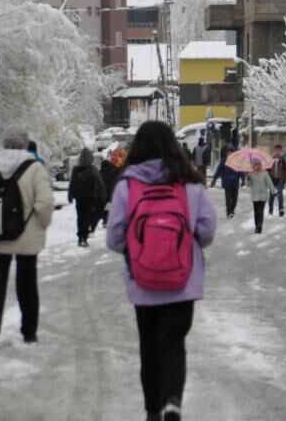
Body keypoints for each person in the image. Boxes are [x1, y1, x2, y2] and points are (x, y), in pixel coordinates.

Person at [107, 121, 216, 421]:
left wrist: (139, 250)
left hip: (143, 282)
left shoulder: (127, 184)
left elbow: (114, 237)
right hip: (182, 280)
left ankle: (152, 411)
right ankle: (172, 401)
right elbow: (207, 229)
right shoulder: (190, 184)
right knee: (173, 344)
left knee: (149, 347)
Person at [0, 131, 55, 349]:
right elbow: (45, 203)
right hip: (27, 236)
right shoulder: (34, 168)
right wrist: (42, 224)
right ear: (25, 145)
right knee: (27, 284)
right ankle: (29, 331)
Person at [68, 148, 106, 247]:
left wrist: (70, 195)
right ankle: (84, 237)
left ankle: (81, 237)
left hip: (79, 198)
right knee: (88, 217)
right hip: (90, 198)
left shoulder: (76, 169)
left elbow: (72, 183)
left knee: (80, 218)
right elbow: (100, 183)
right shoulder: (92, 169)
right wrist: (103, 196)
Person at [211, 144, 244, 218]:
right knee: (228, 198)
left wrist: (243, 179)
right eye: (228, 152)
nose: (229, 153)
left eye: (231, 152)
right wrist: (214, 179)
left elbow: (241, 171)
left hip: (235, 183)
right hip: (227, 183)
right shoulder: (224, 161)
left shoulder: (237, 161)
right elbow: (219, 170)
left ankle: (232, 209)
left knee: (235, 199)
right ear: (226, 153)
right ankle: (229, 212)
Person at [245, 159, 277, 233]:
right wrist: (248, 177)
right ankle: (257, 226)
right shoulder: (251, 174)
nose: (258, 166)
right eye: (256, 165)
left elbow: (269, 183)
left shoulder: (265, 173)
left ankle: (259, 225)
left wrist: (274, 192)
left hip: (263, 195)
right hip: (255, 196)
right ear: (253, 166)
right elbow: (248, 185)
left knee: (260, 211)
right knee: (256, 212)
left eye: (259, 164)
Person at [267, 145, 286, 217]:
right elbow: (268, 169)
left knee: (280, 193)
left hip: (280, 179)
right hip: (272, 179)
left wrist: (285, 180)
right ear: (274, 151)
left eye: (279, 150)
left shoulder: (283, 160)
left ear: (281, 151)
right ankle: (270, 211)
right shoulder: (271, 159)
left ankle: (281, 209)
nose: (277, 152)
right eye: (276, 150)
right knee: (272, 195)